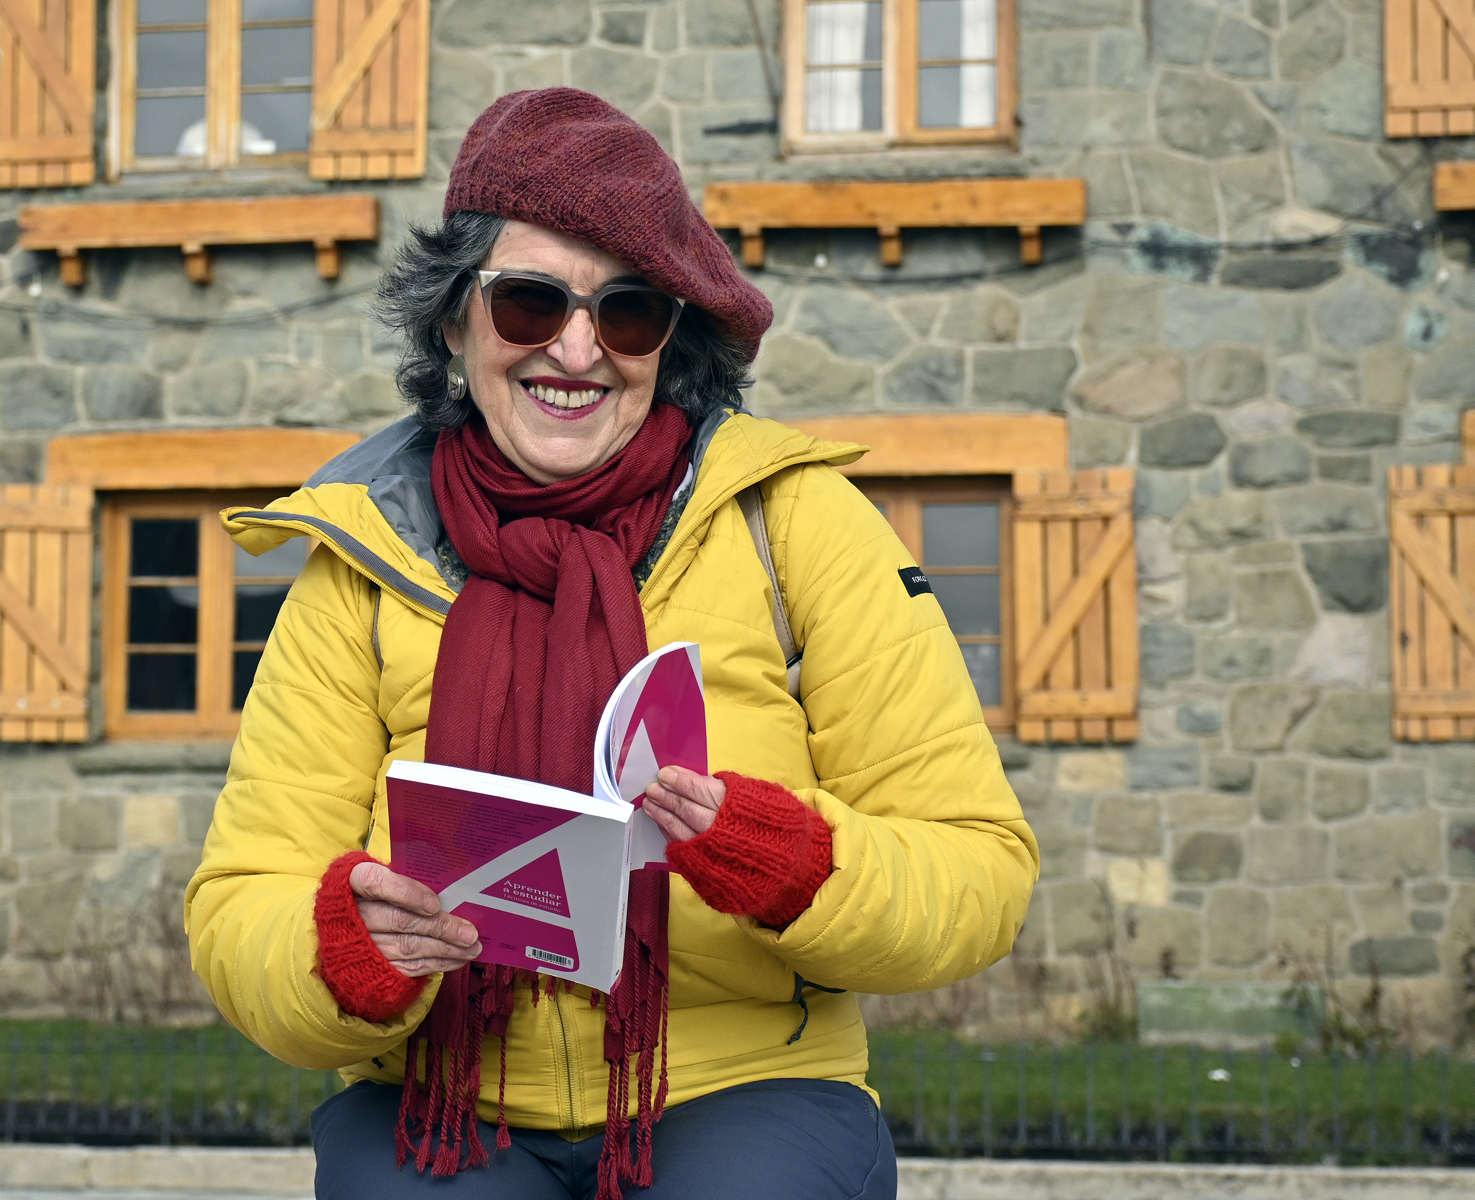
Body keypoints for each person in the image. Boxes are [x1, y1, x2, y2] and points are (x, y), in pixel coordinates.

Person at [186, 88, 1038, 1200]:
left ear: (668, 341)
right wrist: (345, 952)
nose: (578, 349)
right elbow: (242, 896)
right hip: (447, 1100)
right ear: (456, 322)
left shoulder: (800, 523)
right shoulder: (359, 559)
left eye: (628, 311)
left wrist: (801, 867)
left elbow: (978, 870)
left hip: (743, 1090)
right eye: (530, 303)